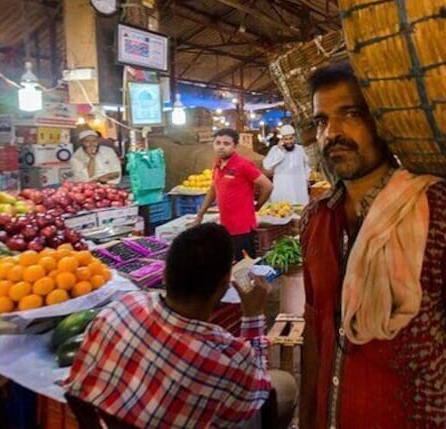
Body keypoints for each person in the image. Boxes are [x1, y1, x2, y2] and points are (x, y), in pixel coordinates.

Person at [298, 63, 446, 428]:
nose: (332, 132)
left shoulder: (443, 212)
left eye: (351, 114)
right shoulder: (317, 220)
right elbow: (316, 335)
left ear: (385, 120)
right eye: (321, 121)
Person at [63, 223, 297, 428]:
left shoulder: (120, 308)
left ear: (164, 273)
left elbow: (75, 388)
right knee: (284, 386)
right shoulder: (228, 358)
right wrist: (253, 314)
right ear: (224, 287)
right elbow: (257, 395)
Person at [194, 129, 274, 259]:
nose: (221, 147)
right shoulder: (217, 163)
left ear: (235, 146)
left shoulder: (243, 165)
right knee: (233, 264)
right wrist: (200, 214)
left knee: (245, 266)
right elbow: (213, 189)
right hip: (225, 224)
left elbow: (268, 186)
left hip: (242, 227)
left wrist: (258, 206)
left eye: (226, 144)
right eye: (218, 143)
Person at [262, 124, 311, 206]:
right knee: (282, 212)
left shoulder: (300, 149)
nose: (288, 141)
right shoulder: (275, 149)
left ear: (294, 137)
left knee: (300, 213)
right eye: (286, 139)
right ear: (282, 139)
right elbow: (267, 165)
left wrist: (306, 178)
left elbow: (308, 165)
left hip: (299, 187)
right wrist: (280, 152)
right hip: (282, 187)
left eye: (291, 138)